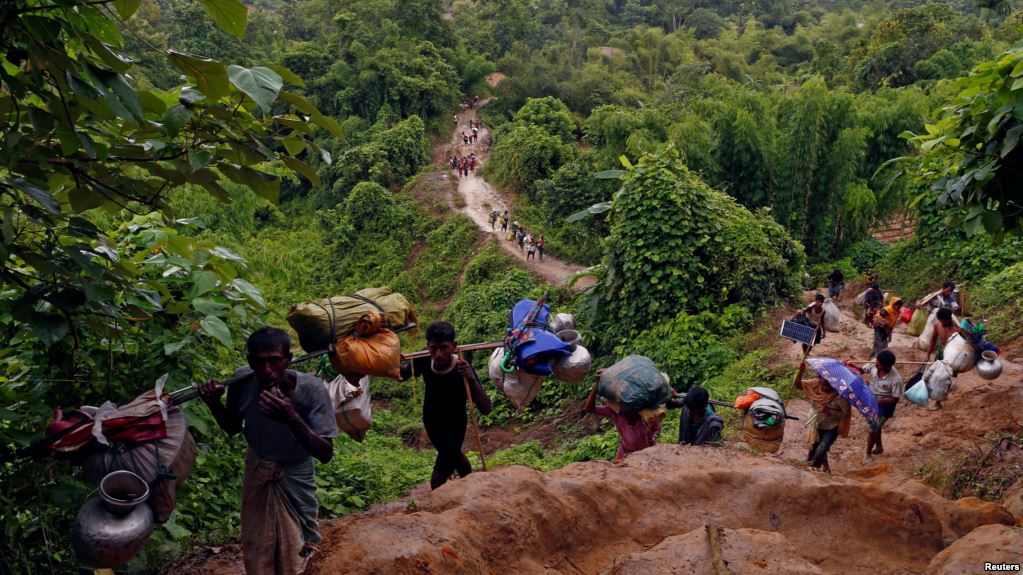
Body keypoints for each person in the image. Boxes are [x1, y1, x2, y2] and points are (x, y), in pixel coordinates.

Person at [198, 327, 338, 574]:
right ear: (250, 362)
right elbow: (231, 427)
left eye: (274, 361)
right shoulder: (242, 382)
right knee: (257, 544)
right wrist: (213, 402)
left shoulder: (311, 389)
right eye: (259, 362)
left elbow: (325, 453)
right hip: (258, 465)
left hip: (296, 470)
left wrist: (291, 417)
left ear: (288, 359)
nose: (267, 370)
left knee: (300, 545)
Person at [400, 321, 492, 489]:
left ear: (454, 346)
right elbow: (402, 374)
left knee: (438, 477)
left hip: (455, 426)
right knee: (455, 458)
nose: (438, 353)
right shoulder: (423, 359)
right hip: (432, 423)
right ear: (427, 346)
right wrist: (390, 358)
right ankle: (470, 485)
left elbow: (486, 408)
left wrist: (471, 378)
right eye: (433, 348)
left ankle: (438, 505)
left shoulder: (462, 367)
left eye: (444, 347)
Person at [584, 369, 662, 462]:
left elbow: (651, 440)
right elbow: (589, 408)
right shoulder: (616, 412)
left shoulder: (646, 415)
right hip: (624, 453)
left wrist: (650, 427)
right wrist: (597, 385)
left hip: (645, 456)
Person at [795, 361, 851, 472]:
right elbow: (797, 385)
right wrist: (801, 371)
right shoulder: (815, 384)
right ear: (819, 378)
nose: (823, 386)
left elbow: (845, 414)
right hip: (816, 423)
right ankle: (820, 467)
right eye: (822, 380)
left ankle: (813, 469)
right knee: (813, 448)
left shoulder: (841, 396)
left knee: (821, 449)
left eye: (828, 384)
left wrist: (830, 411)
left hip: (831, 427)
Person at [860, 351, 902, 461]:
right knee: (876, 426)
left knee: (873, 428)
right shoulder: (874, 364)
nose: (875, 365)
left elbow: (895, 399)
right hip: (871, 399)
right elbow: (861, 370)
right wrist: (849, 365)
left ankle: (868, 454)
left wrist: (879, 401)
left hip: (885, 405)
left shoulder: (896, 379)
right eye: (876, 362)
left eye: (878, 364)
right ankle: (879, 447)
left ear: (887, 367)